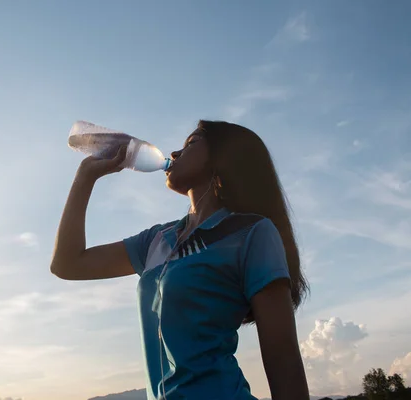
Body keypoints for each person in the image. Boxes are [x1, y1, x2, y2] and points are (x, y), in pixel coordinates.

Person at [50, 120, 310, 400]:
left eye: (191, 143)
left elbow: (283, 359)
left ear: (223, 157)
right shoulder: (157, 240)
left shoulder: (251, 233)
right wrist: (85, 176)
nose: (174, 153)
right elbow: (68, 263)